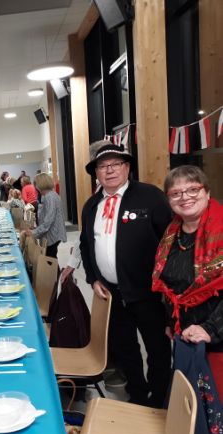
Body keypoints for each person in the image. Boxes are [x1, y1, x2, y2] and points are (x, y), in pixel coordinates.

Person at [80, 142, 172, 407]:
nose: (109, 170)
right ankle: (137, 394)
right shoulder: (91, 206)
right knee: (125, 348)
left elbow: (170, 241)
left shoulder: (150, 197)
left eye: (116, 164)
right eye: (102, 166)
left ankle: (159, 399)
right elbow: (86, 245)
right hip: (111, 293)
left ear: (127, 167)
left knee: (157, 349)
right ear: (96, 173)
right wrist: (93, 278)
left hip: (148, 293)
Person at [151, 166, 223, 434]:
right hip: (186, 339)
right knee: (193, 413)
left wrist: (210, 329)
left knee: (215, 414)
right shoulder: (173, 233)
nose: (185, 197)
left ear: (207, 191)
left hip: (216, 343)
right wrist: (172, 321)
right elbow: (171, 287)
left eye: (193, 189)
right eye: (176, 193)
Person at [25, 173, 66, 259]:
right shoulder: (48, 195)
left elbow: (48, 221)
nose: (35, 187)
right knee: (51, 259)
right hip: (52, 233)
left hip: (53, 234)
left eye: (36, 184)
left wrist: (34, 232)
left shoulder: (50, 197)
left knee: (49, 260)